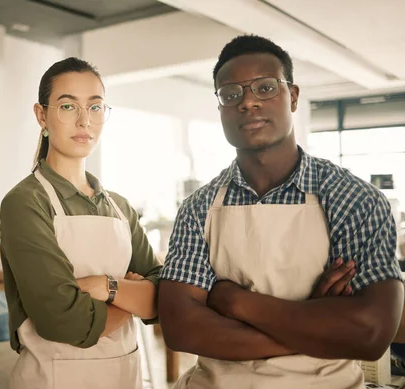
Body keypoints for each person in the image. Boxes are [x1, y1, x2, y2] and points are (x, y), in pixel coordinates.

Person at [158, 34, 404, 389]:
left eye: (265, 88)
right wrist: (315, 321)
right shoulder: (198, 208)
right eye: (231, 94)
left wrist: (235, 301)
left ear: (293, 96)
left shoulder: (355, 199)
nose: (247, 103)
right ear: (221, 108)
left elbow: (370, 334)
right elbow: (181, 329)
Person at [0, 57, 162, 389]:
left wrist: (107, 286)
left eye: (96, 107)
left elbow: (166, 294)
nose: (85, 120)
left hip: (124, 377)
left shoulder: (120, 207)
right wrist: (133, 299)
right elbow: (64, 321)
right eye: (68, 106)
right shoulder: (25, 202)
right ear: (41, 115)